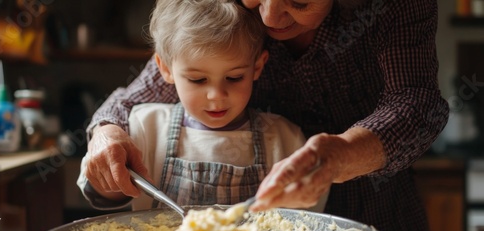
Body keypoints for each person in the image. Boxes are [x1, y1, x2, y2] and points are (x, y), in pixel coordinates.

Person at [83, 0, 448, 231]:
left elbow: (417, 102)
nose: (270, 17)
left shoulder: (393, 7)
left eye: (299, 1)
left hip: (379, 208)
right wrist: (107, 133)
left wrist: (343, 154)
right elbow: (139, 94)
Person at [77, 0, 328, 212]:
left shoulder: (285, 140)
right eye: (198, 79)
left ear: (258, 67)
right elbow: (101, 191)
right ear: (165, 68)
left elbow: (307, 221)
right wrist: (108, 176)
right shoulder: (144, 128)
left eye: (234, 77)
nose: (217, 96)